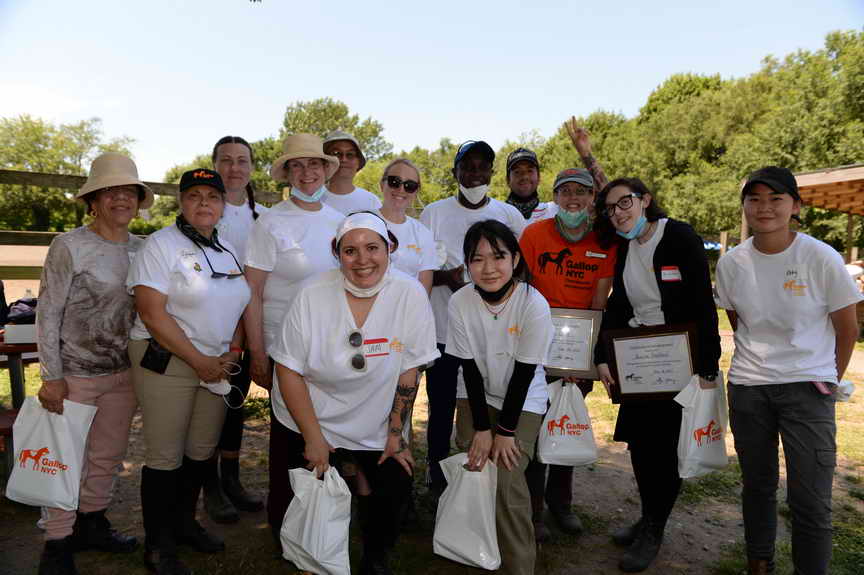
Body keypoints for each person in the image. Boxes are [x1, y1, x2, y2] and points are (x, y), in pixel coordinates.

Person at [270, 211, 439, 574]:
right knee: (301, 497)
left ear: (389, 248)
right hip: (310, 412)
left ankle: (375, 556)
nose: (363, 259)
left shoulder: (409, 293)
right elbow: (288, 369)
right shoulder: (311, 293)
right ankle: (306, 552)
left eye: (372, 248)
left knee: (393, 483)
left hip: (373, 414)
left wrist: (396, 433)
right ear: (337, 253)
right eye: (351, 250)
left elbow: (410, 368)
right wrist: (313, 437)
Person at [716, 167, 860, 575]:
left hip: (807, 389)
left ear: (795, 206)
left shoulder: (820, 257)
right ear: (744, 206)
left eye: (776, 199)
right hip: (748, 388)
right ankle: (759, 564)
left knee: (810, 498)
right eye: (754, 199)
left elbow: (847, 328)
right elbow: (739, 321)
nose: (764, 208)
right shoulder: (732, 263)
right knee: (757, 485)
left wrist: (827, 379)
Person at [593, 178, 721, 573]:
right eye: (610, 208)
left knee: (665, 449)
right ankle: (649, 515)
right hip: (638, 360)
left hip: (679, 360)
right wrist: (602, 357)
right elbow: (618, 305)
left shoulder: (679, 237)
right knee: (640, 444)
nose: (618, 213)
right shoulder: (624, 247)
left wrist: (708, 367)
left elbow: (703, 302)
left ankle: (654, 528)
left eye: (625, 202)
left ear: (645, 200)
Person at [128, 169, 250, 575]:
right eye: (194, 196)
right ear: (181, 202)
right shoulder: (160, 245)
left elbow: (238, 303)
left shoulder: (228, 249)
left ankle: (183, 524)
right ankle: (158, 544)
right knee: (165, 455)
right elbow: (151, 312)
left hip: (216, 363)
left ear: (223, 205)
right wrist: (199, 362)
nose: (204, 203)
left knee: (201, 450)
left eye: (212, 197)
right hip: (168, 360)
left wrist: (234, 351)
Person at [35, 153, 152, 575]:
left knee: (107, 455)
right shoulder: (69, 246)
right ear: (93, 201)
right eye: (110, 191)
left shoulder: (144, 249)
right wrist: (52, 376)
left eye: (128, 191)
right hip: (75, 374)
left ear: (138, 200)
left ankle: (92, 522)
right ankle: (56, 541)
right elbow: (48, 312)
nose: (120, 198)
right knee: (64, 459)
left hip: (124, 373)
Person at [241, 133, 344, 539]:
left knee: (328, 430)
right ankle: (284, 522)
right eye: (296, 166)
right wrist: (257, 351)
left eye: (313, 164)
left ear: (325, 170)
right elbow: (252, 291)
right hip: (285, 349)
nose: (306, 173)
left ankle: (323, 518)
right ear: (286, 173)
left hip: (331, 347)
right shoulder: (270, 222)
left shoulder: (340, 222)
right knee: (289, 435)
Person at [519, 124, 617, 542]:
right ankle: (532, 509)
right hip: (536, 347)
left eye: (581, 192)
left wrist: (583, 360)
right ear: (554, 197)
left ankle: (561, 504)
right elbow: (521, 290)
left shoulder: (603, 241)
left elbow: (598, 303)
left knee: (565, 422)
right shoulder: (534, 234)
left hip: (578, 349)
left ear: (592, 198)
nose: (573, 199)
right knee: (534, 424)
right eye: (565, 192)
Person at [447, 219, 553, 575]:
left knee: (506, 478)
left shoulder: (533, 303)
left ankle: (518, 564)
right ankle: (475, 552)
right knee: (474, 465)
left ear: (516, 259)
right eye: (477, 259)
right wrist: (482, 428)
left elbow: (524, 374)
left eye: (498, 256)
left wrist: (504, 432)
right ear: (467, 264)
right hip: (476, 393)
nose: (488, 268)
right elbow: (469, 368)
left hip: (523, 398)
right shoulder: (460, 301)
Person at [420, 140, 526, 494]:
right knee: (440, 408)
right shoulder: (433, 213)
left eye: (483, 167)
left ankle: (484, 479)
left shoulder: (509, 216)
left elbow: (520, 269)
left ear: (492, 173)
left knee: (485, 405)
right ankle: (436, 476)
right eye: (468, 166)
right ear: (456, 172)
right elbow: (421, 269)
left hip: (492, 336)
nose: (475, 174)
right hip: (442, 332)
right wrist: (446, 278)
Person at [202, 135, 269, 523]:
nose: (234, 168)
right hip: (210, 327)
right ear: (215, 164)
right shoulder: (206, 210)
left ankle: (231, 479)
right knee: (210, 407)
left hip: (249, 324)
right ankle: (209, 485)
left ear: (252, 168)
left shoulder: (263, 217)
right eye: (226, 160)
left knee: (234, 403)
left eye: (242, 160)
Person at [377, 158, 437, 293]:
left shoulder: (423, 234)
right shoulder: (362, 222)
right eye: (394, 182)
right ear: (382, 184)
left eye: (410, 186)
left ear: (416, 192)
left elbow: (424, 291)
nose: (401, 189)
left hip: (408, 305)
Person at [322, 130, 382, 214]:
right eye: (336, 153)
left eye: (350, 154)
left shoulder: (372, 202)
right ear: (325, 160)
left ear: (358, 163)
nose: (344, 159)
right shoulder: (311, 198)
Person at [505, 147, 557, 223]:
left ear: (539, 177)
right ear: (507, 180)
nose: (524, 176)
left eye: (530, 171)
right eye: (517, 172)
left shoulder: (555, 212)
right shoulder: (496, 214)